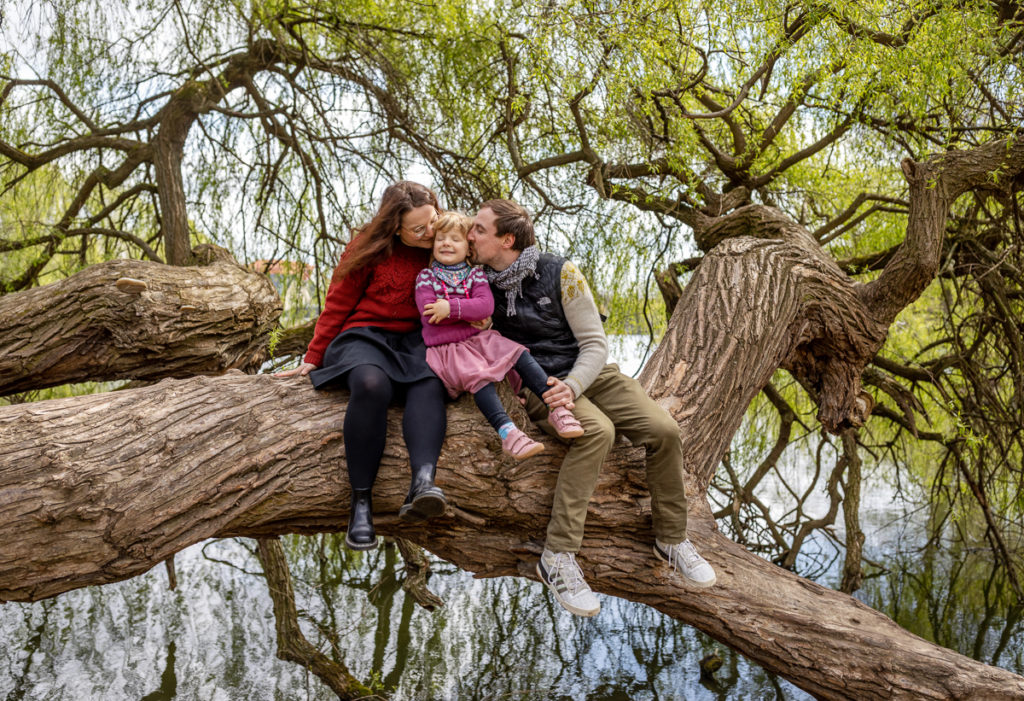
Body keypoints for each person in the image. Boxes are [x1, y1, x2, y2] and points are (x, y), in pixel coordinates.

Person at [469, 199, 716, 618]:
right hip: (537, 382)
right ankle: (559, 556)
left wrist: (575, 384)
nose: (469, 235)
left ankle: (671, 538)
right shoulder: (476, 283)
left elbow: (595, 343)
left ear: (506, 239)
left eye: (478, 229)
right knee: (596, 432)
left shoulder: (560, 273)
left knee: (663, 430)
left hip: (590, 372)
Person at [276, 181, 449, 550]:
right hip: (365, 336)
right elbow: (337, 303)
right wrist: (312, 356)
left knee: (431, 382)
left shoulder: (444, 241)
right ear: (395, 227)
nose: (429, 233)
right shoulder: (367, 248)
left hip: (417, 339)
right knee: (372, 385)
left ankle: (422, 484)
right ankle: (361, 502)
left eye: (432, 221)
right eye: (418, 229)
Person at [414, 212, 584, 462]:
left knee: (518, 352)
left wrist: (450, 309)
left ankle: (555, 408)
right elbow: (430, 316)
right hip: (448, 349)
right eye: (440, 239)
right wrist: (468, 316)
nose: (446, 244)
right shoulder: (426, 277)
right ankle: (508, 433)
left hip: (480, 339)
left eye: (455, 239)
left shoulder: (475, 276)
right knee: (478, 375)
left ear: (468, 248)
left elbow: (485, 307)